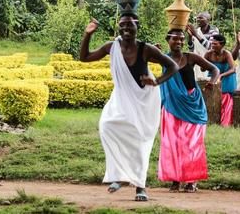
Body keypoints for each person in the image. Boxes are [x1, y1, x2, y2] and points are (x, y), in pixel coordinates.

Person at [80, 16, 179, 202]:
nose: (126, 28)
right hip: (121, 97)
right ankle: (118, 176)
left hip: (144, 99)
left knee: (140, 140)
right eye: (122, 25)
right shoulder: (112, 47)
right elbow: (84, 58)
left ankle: (140, 187)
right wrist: (88, 34)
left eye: (130, 25)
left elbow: (172, 66)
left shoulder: (146, 49)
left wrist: (157, 81)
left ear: (137, 27)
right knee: (107, 126)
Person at [158, 29, 219, 193]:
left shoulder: (191, 57)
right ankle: (175, 179)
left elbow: (214, 69)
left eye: (181, 39)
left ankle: (191, 180)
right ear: (167, 40)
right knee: (172, 143)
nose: (178, 42)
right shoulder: (163, 58)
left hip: (192, 105)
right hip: (172, 105)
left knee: (192, 143)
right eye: (175, 39)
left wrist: (212, 82)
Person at [204, 34, 237, 126]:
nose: (212, 45)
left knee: (226, 99)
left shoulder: (227, 54)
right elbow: (202, 68)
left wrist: (221, 75)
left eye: (215, 44)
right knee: (213, 99)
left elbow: (233, 69)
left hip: (227, 77)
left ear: (222, 44)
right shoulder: (208, 54)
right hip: (214, 77)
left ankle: (225, 122)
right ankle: (212, 121)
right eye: (212, 43)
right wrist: (204, 63)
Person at [186, 12, 219, 79]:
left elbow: (211, 47)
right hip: (197, 64)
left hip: (209, 62)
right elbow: (191, 49)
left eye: (201, 18)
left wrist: (195, 34)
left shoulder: (214, 31)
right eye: (197, 18)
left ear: (207, 20)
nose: (198, 19)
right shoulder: (197, 31)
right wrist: (190, 37)